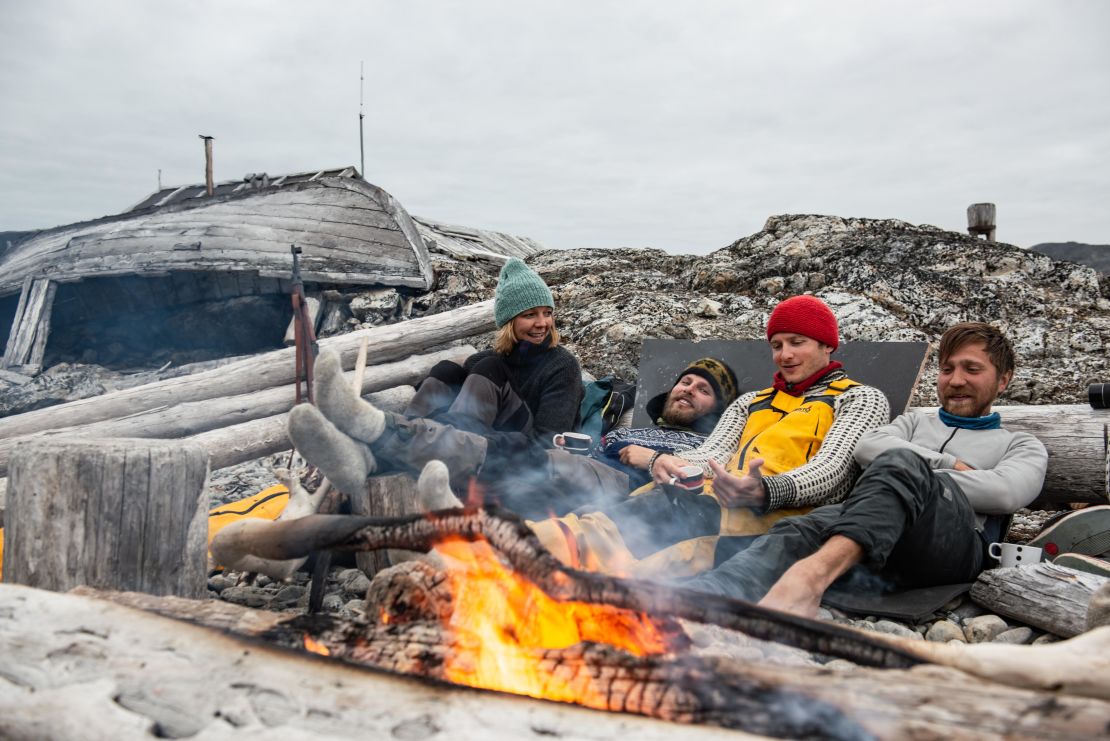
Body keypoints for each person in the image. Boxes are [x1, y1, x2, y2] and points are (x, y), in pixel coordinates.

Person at [416, 295, 891, 576]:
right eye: (777, 345)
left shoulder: (859, 399)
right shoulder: (753, 402)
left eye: (797, 343)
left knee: (628, 535)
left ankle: (490, 562)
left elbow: (832, 473)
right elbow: (711, 453)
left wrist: (764, 488)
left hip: (772, 519)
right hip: (704, 495)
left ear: (828, 344)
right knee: (609, 515)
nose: (784, 355)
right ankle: (480, 545)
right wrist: (672, 467)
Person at [685, 322, 1049, 618]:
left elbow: (1005, 493)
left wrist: (913, 475)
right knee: (800, 526)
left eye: (972, 369)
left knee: (900, 463)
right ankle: (701, 598)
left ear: (1003, 380)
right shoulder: (911, 424)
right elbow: (868, 447)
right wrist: (947, 464)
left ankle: (808, 580)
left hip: (952, 548)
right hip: (877, 537)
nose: (955, 380)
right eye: (947, 369)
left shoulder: (1020, 444)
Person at [288, 258, 584, 516]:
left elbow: (548, 442)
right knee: (448, 369)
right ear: (509, 321)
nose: (542, 323)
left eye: (547, 313)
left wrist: (454, 431)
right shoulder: (493, 359)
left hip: (527, 452)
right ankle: (370, 455)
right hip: (476, 438)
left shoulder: (562, 365)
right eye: (530, 315)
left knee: (485, 367)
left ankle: (388, 437)